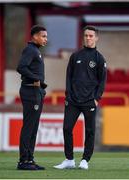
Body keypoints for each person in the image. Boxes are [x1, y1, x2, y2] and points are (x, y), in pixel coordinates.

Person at [54, 26, 107, 170]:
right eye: (86, 36)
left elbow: (102, 81)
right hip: (72, 101)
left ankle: (85, 160)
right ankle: (69, 159)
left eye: (91, 36)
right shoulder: (75, 56)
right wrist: (68, 95)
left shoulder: (99, 59)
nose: (88, 38)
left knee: (90, 131)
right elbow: (68, 77)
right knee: (66, 128)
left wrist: (96, 98)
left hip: (89, 101)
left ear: (96, 38)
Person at [16, 25, 48, 170]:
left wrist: (41, 87)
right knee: (29, 126)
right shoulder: (30, 50)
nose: (45, 39)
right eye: (43, 36)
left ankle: (29, 159)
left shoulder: (36, 51)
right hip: (30, 91)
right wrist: (37, 79)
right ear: (35, 36)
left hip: (37, 92)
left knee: (34, 127)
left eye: (46, 36)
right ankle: (23, 161)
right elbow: (21, 67)